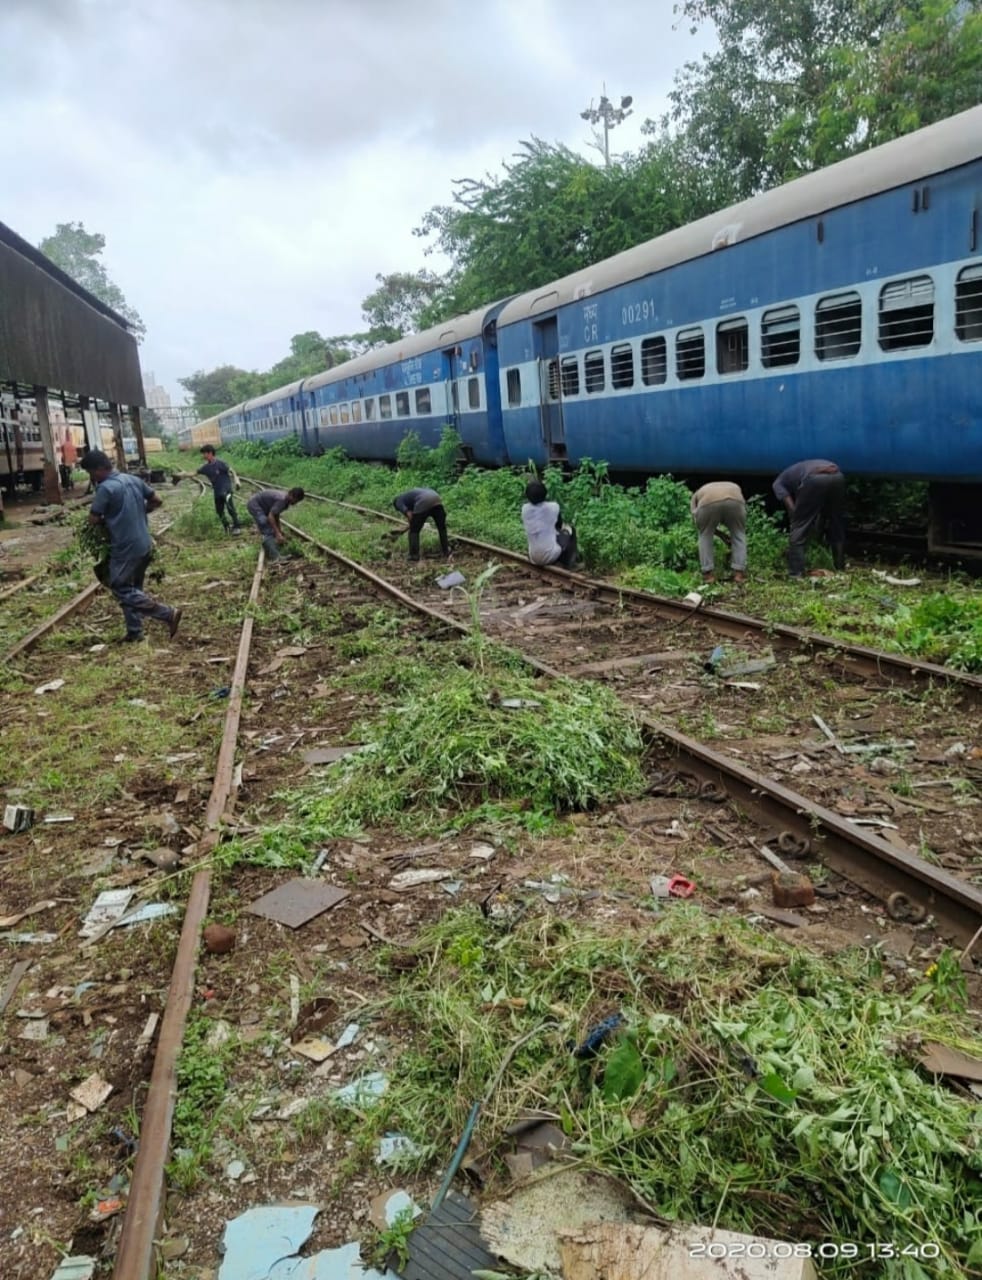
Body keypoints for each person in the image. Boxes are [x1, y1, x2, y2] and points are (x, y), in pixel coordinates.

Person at [80, 450, 181, 643]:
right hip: (144, 543)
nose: (92, 477)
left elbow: (93, 519)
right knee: (134, 589)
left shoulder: (106, 488)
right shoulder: (132, 479)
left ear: (100, 469)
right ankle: (135, 632)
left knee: (120, 587)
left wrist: (107, 521)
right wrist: (140, 511)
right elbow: (157, 500)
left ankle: (167, 614)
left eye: (92, 473)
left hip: (124, 547)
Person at [772, 459, 846, 578]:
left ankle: (796, 573)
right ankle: (840, 567)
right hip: (837, 476)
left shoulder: (777, 484)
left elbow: (793, 510)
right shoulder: (793, 473)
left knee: (799, 528)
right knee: (836, 522)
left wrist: (798, 523)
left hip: (815, 478)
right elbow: (820, 510)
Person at [690, 481, 746, 583]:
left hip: (708, 501)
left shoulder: (696, 496)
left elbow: (699, 523)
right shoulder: (731, 485)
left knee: (705, 535)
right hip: (735, 500)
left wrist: (711, 531)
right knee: (739, 533)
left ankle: (708, 575)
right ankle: (739, 574)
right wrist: (722, 534)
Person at [521, 479, 578, 569]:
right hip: (551, 556)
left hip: (533, 557)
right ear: (545, 493)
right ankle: (568, 563)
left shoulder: (524, 509)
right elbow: (559, 526)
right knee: (570, 530)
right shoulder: (553, 507)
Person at [246, 486, 304, 562]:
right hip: (255, 505)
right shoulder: (282, 500)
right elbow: (271, 516)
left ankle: (275, 549)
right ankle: (275, 557)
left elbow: (276, 514)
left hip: (263, 506)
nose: (294, 503)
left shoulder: (286, 501)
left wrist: (279, 531)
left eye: (297, 501)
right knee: (267, 528)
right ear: (290, 494)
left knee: (274, 529)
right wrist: (277, 533)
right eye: (295, 500)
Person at [393, 488, 450, 562]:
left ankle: (414, 556)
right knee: (442, 528)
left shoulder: (398, 501)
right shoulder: (410, 496)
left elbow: (409, 514)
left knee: (414, 531)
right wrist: (416, 522)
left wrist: (414, 524)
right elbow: (417, 515)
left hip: (423, 500)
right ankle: (446, 551)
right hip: (436, 498)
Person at [196, 445, 242, 534]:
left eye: (204, 453)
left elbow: (232, 471)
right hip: (217, 492)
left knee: (230, 508)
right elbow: (194, 473)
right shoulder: (205, 467)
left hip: (226, 490)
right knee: (219, 511)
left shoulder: (221, 463)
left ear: (210, 453)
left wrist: (236, 480)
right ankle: (227, 527)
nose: (203, 456)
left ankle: (237, 526)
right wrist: (181, 475)